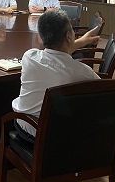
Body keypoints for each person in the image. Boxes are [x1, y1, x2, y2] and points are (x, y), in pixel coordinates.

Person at [12, 9, 100, 141]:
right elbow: (104, 91)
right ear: (69, 35)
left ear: (41, 37)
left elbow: (56, 55)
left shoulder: (29, 57)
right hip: (58, 136)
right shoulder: (82, 72)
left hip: (26, 128)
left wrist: (81, 41)